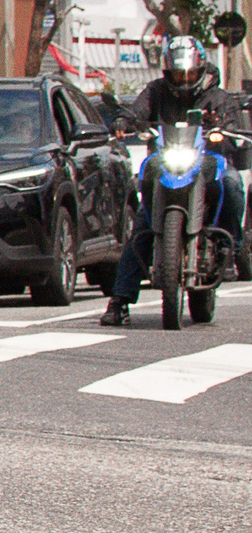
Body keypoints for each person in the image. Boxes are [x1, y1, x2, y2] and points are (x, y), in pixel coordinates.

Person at [99, 35, 246, 325]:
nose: (184, 78)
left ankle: (232, 249)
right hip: (168, 163)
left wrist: (224, 128)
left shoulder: (217, 96)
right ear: (168, 71)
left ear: (201, 68)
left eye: (189, 72)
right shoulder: (156, 91)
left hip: (206, 161)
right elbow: (137, 111)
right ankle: (119, 302)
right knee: (142, 223)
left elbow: (232, 124)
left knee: (230, 182)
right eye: (178, 73)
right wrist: (123, 121)